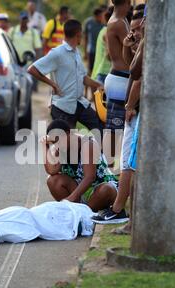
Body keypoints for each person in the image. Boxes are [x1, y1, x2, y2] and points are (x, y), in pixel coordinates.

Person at [94, 9, 147, 229]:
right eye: (131, 29)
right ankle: (121, 211)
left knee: (128, 163)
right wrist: (128, 46)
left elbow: (135, 75)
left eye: (137, 29)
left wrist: (128, 105)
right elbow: (130, 67)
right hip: (133, 110)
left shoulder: (149, 43)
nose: (133, 33)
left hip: (136, 111)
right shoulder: (141, 43)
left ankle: (118, 210)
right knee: (127, 162)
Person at [28, 20, 103, 131]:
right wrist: (53, 84)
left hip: (79, 103)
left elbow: (83, 78)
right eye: (81, 34)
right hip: (62, 106)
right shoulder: (57, 53)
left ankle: (96, 148)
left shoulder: (77, 52)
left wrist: (100, 85)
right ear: (78, 34)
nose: (82, 37)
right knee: (65, 144)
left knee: (100, 128)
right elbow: (32, 69)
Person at [43, 120, 123, 215]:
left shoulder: (87, 144)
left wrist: (72, 198)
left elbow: (90, 177)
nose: (56, 145)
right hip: (79, 190)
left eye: (58, 140)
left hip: (98, 190)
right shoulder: (60, 147)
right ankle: (73, 212)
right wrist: (45, 146)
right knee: (52, 181)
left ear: (68, 134)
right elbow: (52, 171)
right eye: (53, 142)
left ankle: (82, 214)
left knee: (106, 189)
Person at [104, 0, 132, 167]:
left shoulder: (120, 20)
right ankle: (107, 170)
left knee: (118, 131)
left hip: (120, 77)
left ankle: (111, 168)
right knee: (115, 131)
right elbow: (131, 47)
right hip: (120, 79)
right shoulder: (118, 23)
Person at [91, 6, 114, 84]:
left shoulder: (103, 30)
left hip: (100, 71)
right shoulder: (107, 32)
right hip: (106, 71)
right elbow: (109, 55)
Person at [84, 7, 106, 75]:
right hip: (91, 50)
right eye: (99, 16)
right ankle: (88, 85)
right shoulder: (88, 22)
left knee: (98, 69)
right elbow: (85, 37)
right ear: (95, 16)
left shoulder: (104, 23)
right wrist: (85, 52)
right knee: (90, 69)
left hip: (101, 50)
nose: (101, 18)